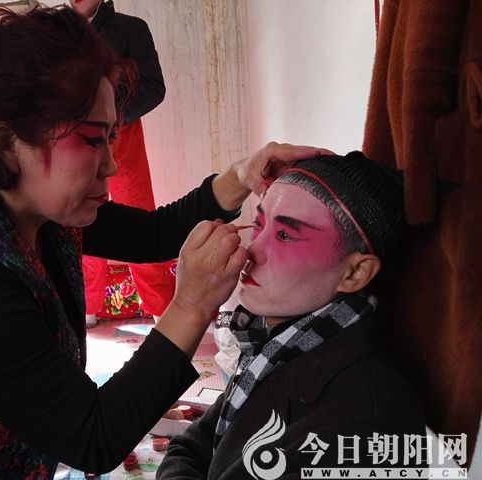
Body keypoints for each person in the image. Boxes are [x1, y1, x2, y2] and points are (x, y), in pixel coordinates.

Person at [0, 5, 328, 479]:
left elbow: (152, 233)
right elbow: (94, 437)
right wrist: (192, 304)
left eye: (111, 138)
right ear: (9, 142)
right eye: (93, 140)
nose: (111, 165)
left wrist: (242, 175)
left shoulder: (34, 202)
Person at [157, 152, 427, 479]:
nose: (251, 251)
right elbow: (188, 447)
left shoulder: (359, 426)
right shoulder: (277, 344)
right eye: (259, 224)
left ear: (355, 273)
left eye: (284, 235)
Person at [70, 0, 174, 325]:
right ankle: (86, 306)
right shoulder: (58, 31)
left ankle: (159, 306)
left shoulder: (130, 28)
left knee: (138, 218)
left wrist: (113, 119)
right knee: (79, 215)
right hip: (73, 139)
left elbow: (154, 87)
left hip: (122, 134)